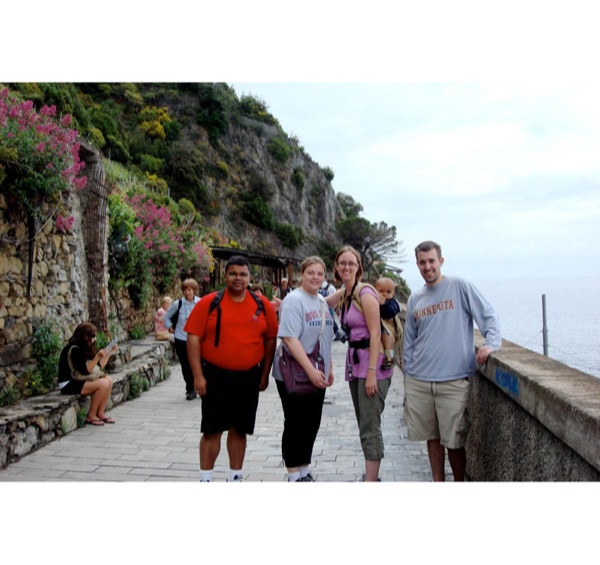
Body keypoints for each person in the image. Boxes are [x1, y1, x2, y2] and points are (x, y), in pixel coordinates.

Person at [403, 240, 501, 481]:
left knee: (455, 441)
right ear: (417, 264)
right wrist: (408, 374)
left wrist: (490, 344)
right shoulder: (415, 298)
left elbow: (489, 315)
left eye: (431, 261)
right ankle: (438, 482)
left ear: (441, 261)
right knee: (432, 437)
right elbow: (409, 341)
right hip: (420, 380)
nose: (427, 266)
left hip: (453, 380)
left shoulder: (459, 286)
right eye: (422, 262)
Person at [185, 255, 278, 482]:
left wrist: (265, 373)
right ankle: (205, 478)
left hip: (248, 377)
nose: (238, 278)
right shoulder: (209, 303)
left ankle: (235, 477)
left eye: (243, 274)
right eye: (233, 273)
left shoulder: (262, 305)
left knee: (239, 429)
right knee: (212, 430)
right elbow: (193, 338)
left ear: (249, 277)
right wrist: (198, 376)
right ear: (225, 276)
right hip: (215, 376)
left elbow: (270, 339)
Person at [327, 245, 394, 481]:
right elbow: (320, 302)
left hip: (371, 367)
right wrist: (287, 304)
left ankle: (371, 480)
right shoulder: (346, 293)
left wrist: (372, 372)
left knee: (370, 425)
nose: (346, 267)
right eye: (342, 263)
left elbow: (375, 334)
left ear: (358, 267)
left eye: (351, 263)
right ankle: (370, 476)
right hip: (355, 367)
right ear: (336, 267)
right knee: (364, 423)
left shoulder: (365, 293)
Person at [272, 256, 335, 482]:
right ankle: (293, 473)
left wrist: (329, 368)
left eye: (319, 274)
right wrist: (311, 371)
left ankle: (304, 469)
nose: (315, 277)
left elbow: (326, 336)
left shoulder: (322, 301)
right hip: (293, 372)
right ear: (302, 274)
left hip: (317, 371)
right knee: (295, 423)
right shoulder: (293, 300)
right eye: (311, 273)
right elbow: (289, 338)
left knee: (312, 423)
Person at [57, 322, 118, 426]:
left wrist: (109, 353)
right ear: (84, 336)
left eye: (95, 336)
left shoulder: (84, 347)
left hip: (78, 379)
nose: (94, 339)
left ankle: (100, 413)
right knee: (102, 384)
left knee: (108, 380)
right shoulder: (74, 349)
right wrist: (98, 356)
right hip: (68, 383)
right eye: (92, 336)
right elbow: (85, 371)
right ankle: (91, 415)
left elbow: (98, 367)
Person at [164, 278, 201, 400]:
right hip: (181, 337)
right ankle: (190, 389)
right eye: (185, 290)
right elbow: (166, 316)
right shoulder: (178, 304)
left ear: (194, 290)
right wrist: (169, 326)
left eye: (189, 289)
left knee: (199, 364)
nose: (187, 292)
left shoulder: (200, 303)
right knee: (185, 365)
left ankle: (200, 387)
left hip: (197, 339)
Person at [374, 277, 402, 370]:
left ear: (393, 293)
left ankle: (389, 358)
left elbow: (390, 312)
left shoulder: (393, 303)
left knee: (387, 339)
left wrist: (383, 304)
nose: (385, 294)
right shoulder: (373, 301)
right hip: (379, 327)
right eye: (381, 291)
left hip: (389, 328)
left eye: (388, 292)